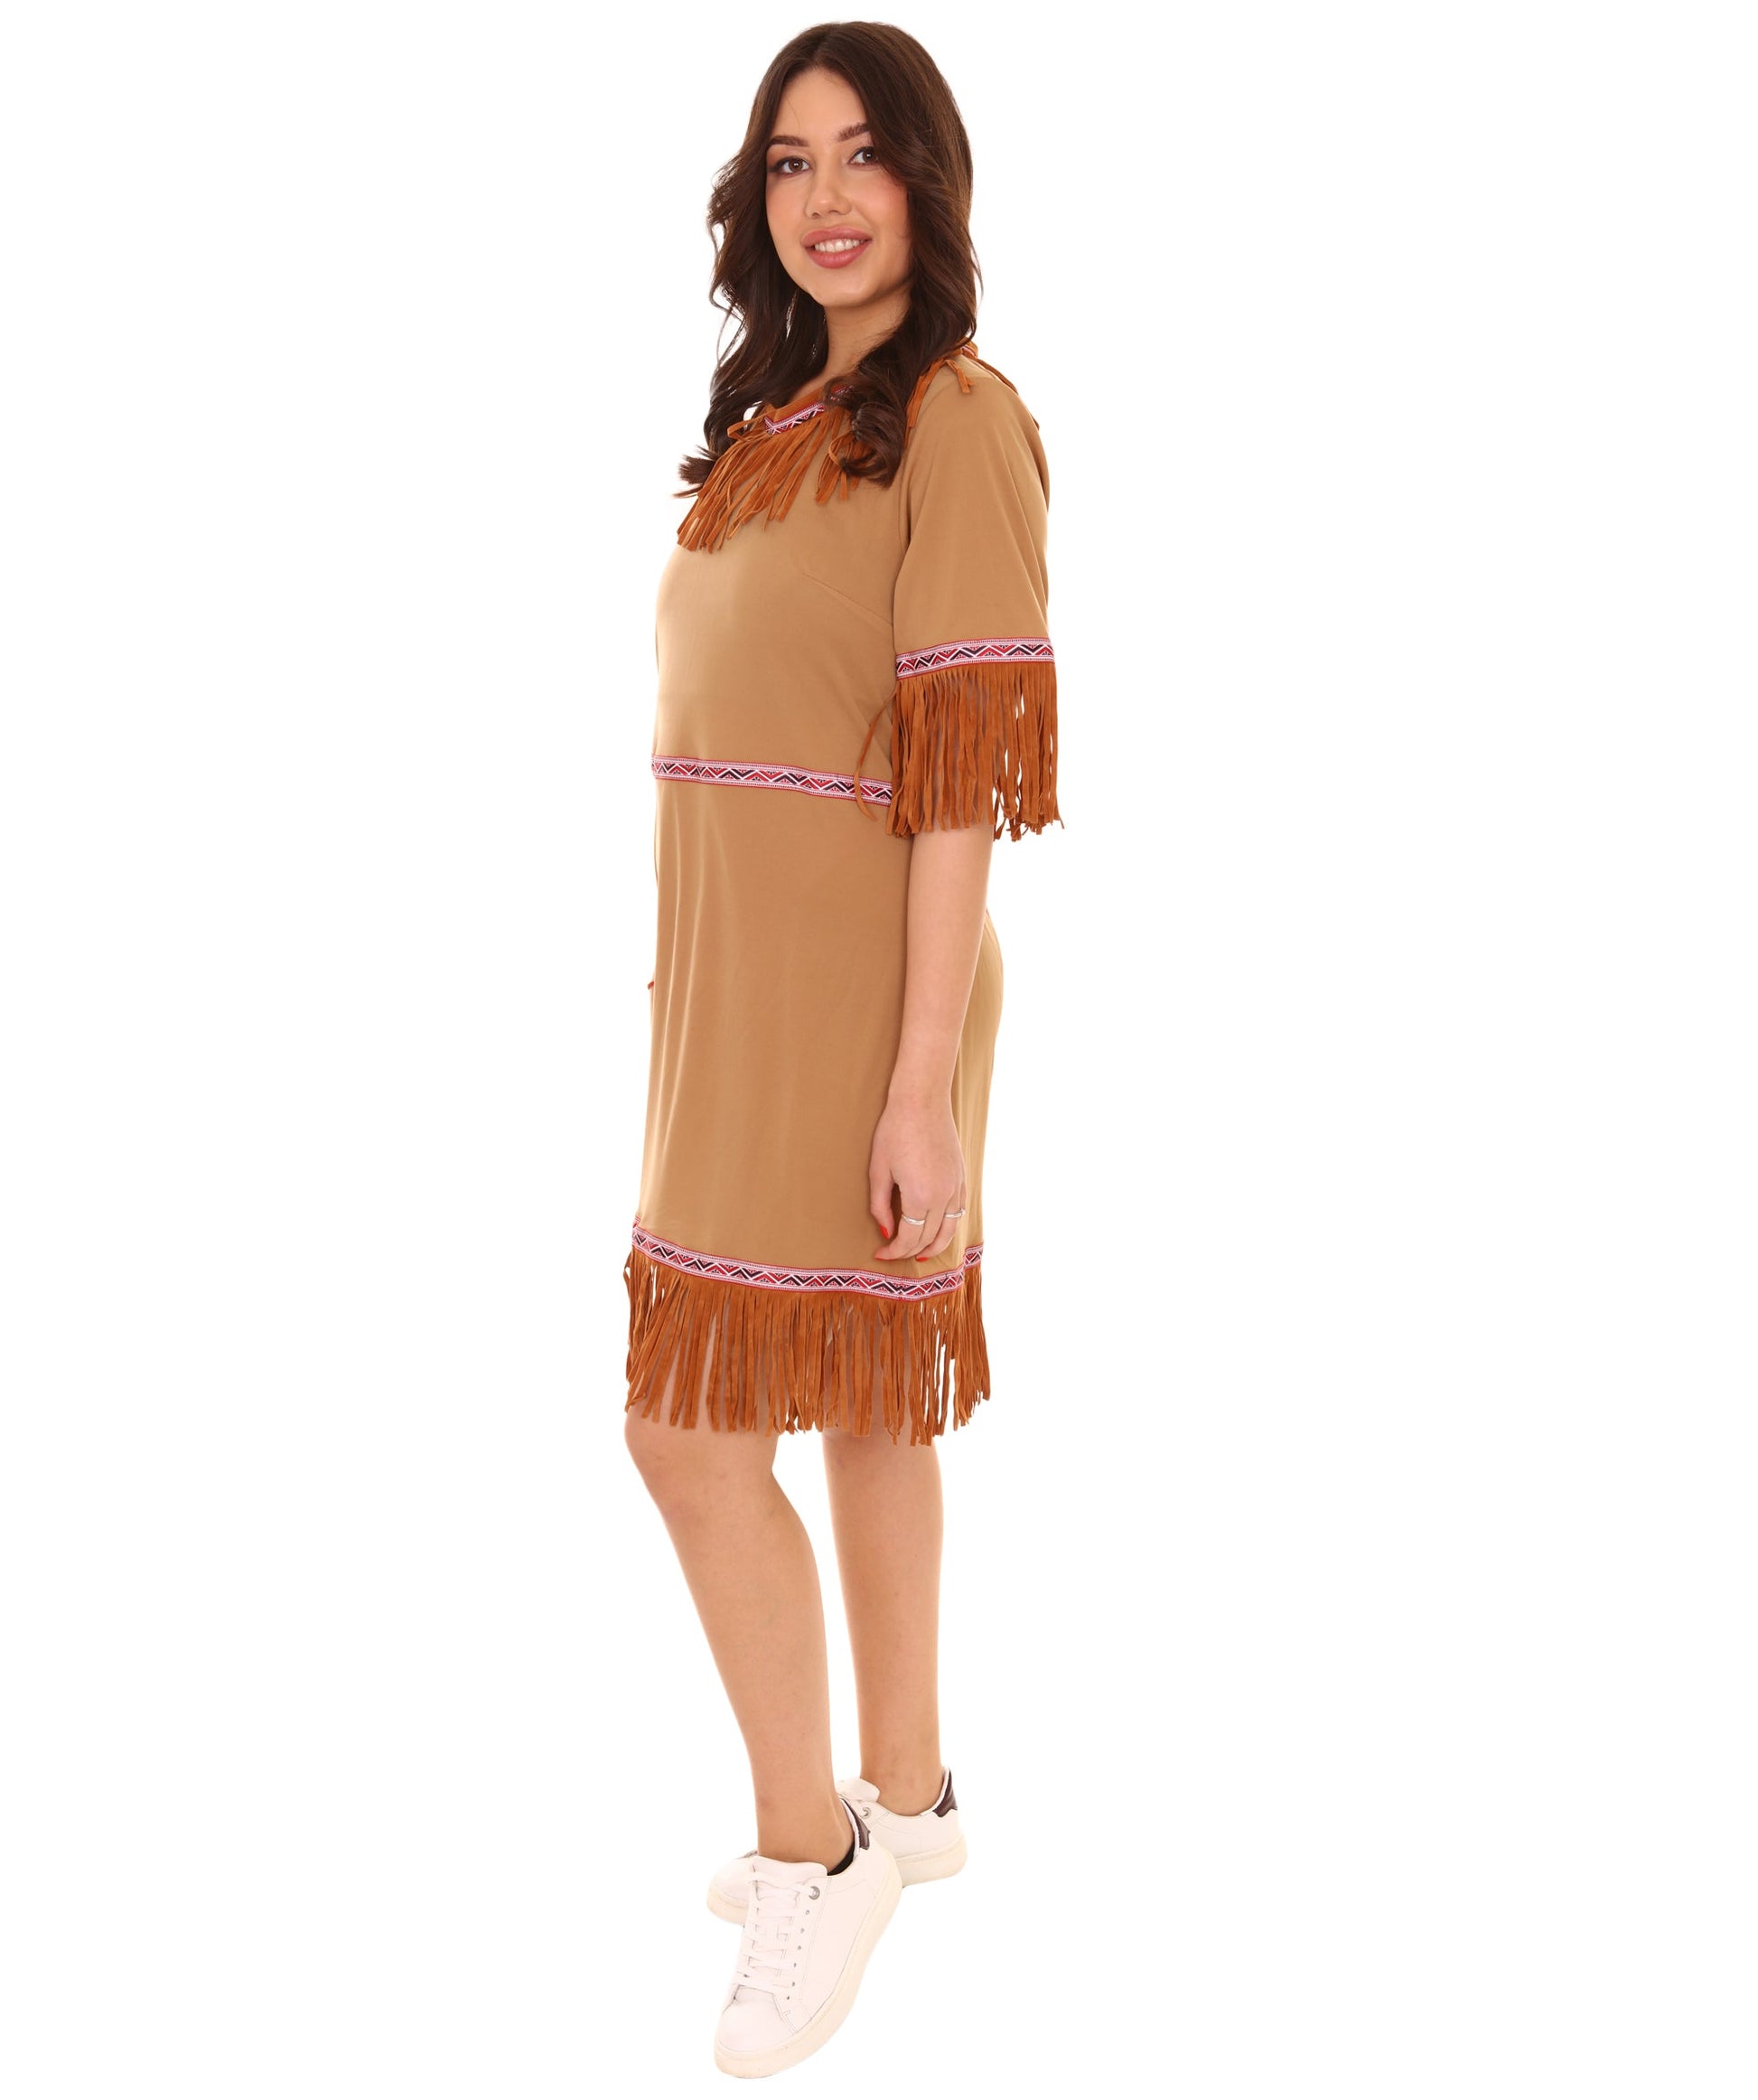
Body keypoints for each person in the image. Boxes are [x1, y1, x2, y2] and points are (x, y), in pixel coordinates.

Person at [621, 23, 1061, 2080]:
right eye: (790, 161)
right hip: (740, 985)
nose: (825, 197)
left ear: (927, 185)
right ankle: (908, 1792)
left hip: (864, 1000)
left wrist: (913, 1084)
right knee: (868, 1397)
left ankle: (814, 1852)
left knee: (689, 1429)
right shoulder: (780, 421)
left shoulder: (957, 418)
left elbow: (962, 775)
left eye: (864, 155)